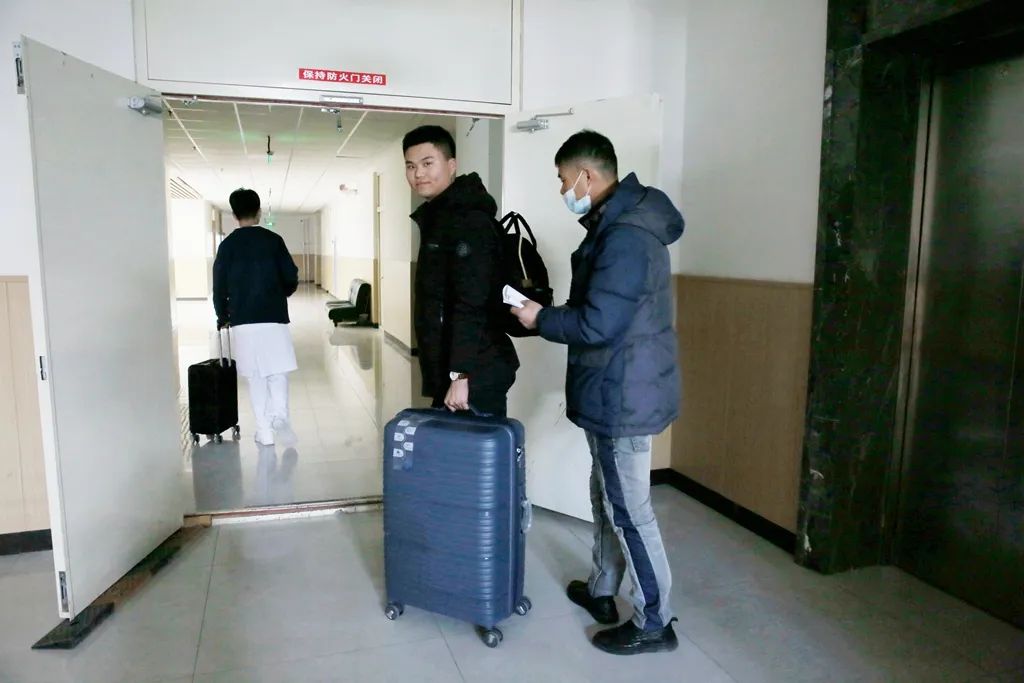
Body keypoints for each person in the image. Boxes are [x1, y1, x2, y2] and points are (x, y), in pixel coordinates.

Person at [511, 130, 684, 655]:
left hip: (622, 393)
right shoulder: (615, 224)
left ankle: (655, 621)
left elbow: (598, 323)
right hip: (614, 386)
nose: (562, 189)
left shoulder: (626, 235)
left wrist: (541, 318)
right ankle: (603, 589)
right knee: (605, 495)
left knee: (629, 509)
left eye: (563, 179)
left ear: (586, 176)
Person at [404, 125, 518, 417]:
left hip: (476, 370)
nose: (418, 174)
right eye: (411, 166)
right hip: (457, 368)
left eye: (428, 163)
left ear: (451, 165)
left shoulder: (468, 221)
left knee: (475, 445)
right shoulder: (439, 218)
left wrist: (460, 375)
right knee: (455, 443)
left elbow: (471, 302)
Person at [212, 188, 300, 447]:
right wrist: (281, 293)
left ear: (234, 215)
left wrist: (222, 314)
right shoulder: (274, 240)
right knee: (277, 370)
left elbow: (219, 285)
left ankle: (264, 432)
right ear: (259, 212)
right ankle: (280, 416)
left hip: (243, 319)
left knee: (255, 376)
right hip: (274, 317)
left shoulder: (227, 246)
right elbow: (290, 275)